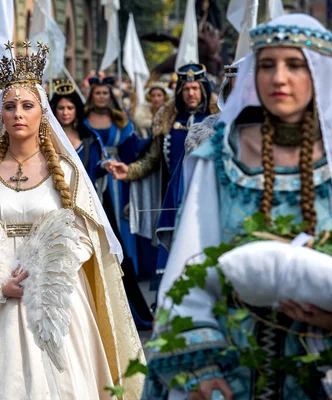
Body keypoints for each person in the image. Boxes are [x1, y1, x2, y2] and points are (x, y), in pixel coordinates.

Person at [0, 41, 145, 400]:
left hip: (56, 295)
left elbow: (85, 234)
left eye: (27, 105)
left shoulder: (67, 171)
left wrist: (46, 271)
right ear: (0, 116)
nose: (18, 113)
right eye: (10, 106)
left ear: (43, 112)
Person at [144, 14, 332, 400]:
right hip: (230, 367)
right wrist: (202, 367)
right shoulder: (222, 158)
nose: (279, 78)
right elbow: (189, 268)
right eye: (267, 65)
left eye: (294, 65)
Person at [105, 64, 218, 290]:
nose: (191, 93)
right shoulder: (167, 122)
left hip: (209, 202)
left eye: (195, 88)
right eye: (186, 89)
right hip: (173, 205)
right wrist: (129, 171)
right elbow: (152, 160)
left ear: (204, 90)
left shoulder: (217, 120)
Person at [84, 75, 154, 329]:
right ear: (91, 96)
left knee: (120, 235)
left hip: (117, 184)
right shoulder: (81, 122)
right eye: (97, 93)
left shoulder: (120, 121)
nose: (101, 97)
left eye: (105, 93)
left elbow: (133, 151)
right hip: (92, 181)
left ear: (110, 96)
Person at [50, 79, 103, 183]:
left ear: (77, 110)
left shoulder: (89, 138)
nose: (65, 112)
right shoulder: (45, 137)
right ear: (54, 110)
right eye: (61, 108)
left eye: (70, 108)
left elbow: (96, 170)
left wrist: (107, 165)